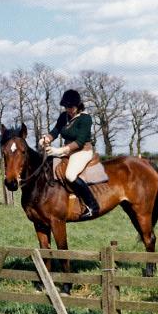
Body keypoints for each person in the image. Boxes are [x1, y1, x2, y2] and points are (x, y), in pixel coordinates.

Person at [39, 89, 100, 220]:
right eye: (66, 107)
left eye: (71, 107)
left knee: (70, 175)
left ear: (78, 105)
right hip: (67, 151)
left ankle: (92, 205)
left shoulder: (85, 119)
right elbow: (55, 131)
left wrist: (60, 150)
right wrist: (47, 138)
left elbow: (80, 141)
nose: (68, 110)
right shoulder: (64, 116)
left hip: (82, 151)